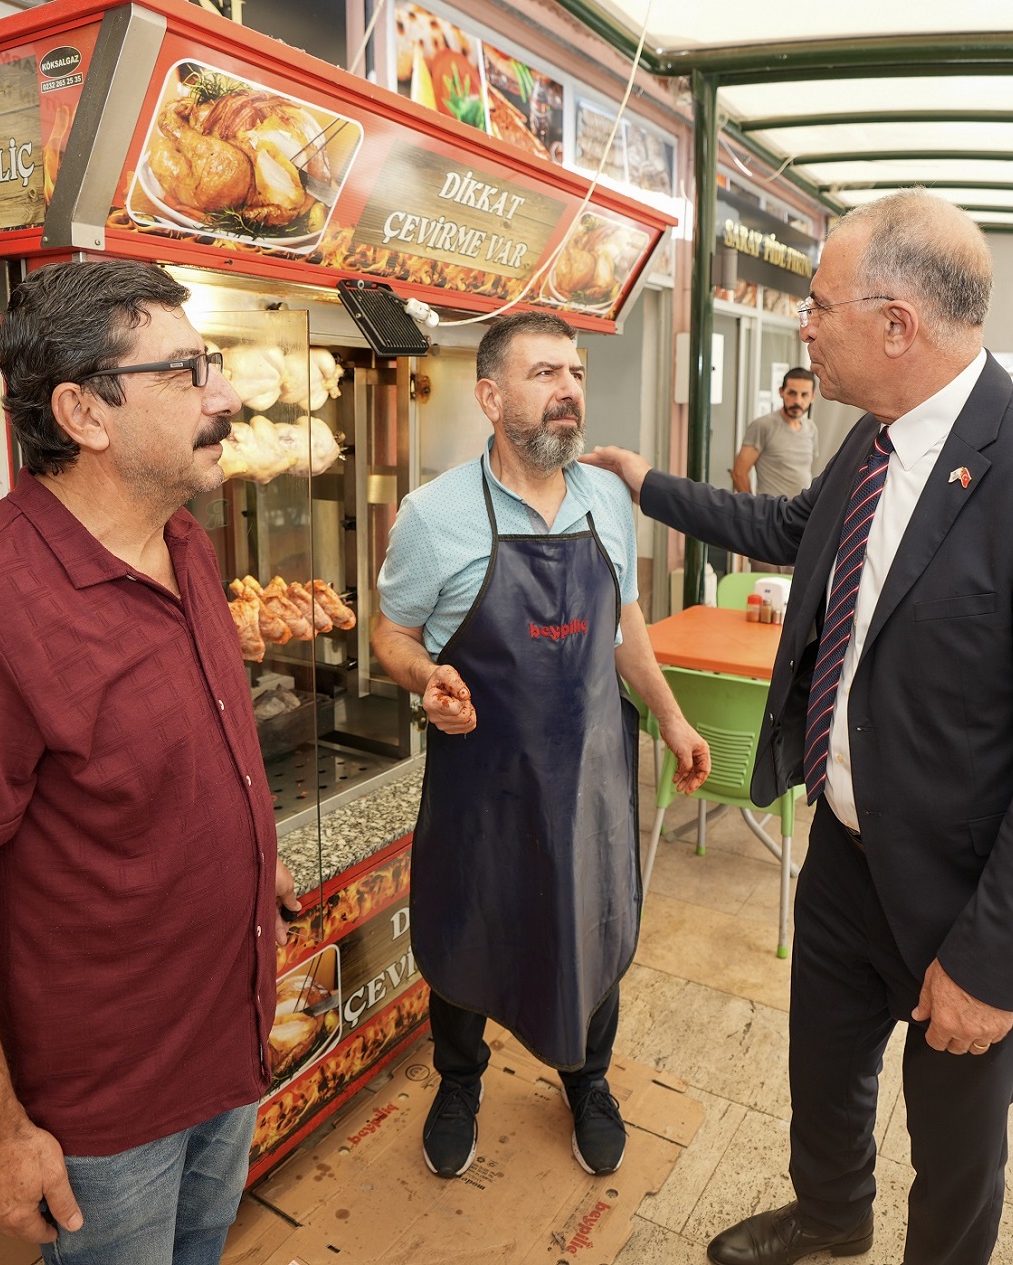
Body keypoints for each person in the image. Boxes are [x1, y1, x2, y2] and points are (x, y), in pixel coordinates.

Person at [583, 191, 1013, 1265]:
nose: (804, 325)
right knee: (823, 1072)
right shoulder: (873, 441)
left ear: (896, 323)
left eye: (817, 304)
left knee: (955, 1140)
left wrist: (990, 962)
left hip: (971, 885)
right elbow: (784, 528)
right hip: (847, 853)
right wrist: (646, 485)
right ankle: (829, 1215)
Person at [0, 259, 299, 1265]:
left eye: (213, 365)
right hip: (107, 1117)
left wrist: (255, 861)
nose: (223, 395)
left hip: (230, 1033)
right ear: (84, 412)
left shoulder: (184, 542)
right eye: (188, 371)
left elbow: (201, 758)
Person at [372, 311, 710, 1182]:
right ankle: (459, 1080)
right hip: (483, 781)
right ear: (490, 396)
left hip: (592, 775)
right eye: (545, 373)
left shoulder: (606, 501)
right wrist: (426, 679)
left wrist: (671, 718)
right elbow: (390, 634)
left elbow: (625, 622)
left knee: (590, 925)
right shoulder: (433, 514)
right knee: (466, 927)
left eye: (577, 373)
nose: (569, 391)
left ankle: (587, 1079)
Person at [732, 367, 818, 497]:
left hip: (802, 513)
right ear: (781, 392)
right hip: (771, 513)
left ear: (812, 396)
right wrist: (754, 510)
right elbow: (739, 473)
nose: (797, 401)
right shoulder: (763, 426)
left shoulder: (811, 428)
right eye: (792, 393)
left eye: (804, 395)